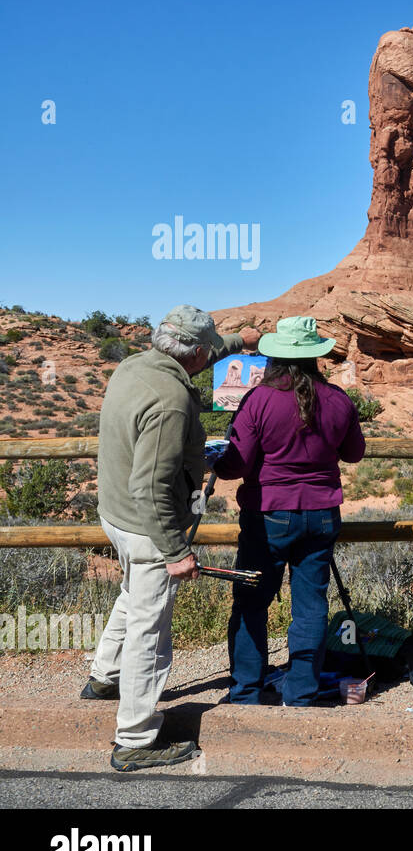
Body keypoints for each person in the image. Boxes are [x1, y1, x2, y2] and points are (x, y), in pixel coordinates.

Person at [84, 306, 260, 772]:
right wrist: (176, 551)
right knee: (150, 628)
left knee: (132, 597)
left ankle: (104, 677)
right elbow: (153, 487)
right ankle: (136, 738)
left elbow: (203, 351)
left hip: (116, 515)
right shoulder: (170, 401)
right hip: (148, 528)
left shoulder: (134, 365)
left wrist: (241, 342)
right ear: (197, 354)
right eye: (210, 349)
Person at [213, 316, 365, 706]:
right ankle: (301, 695)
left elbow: (238, 465)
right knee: (311, 607)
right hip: (322, 514)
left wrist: (215, 459)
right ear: (315, 357)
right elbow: (354, 453)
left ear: (275, 357)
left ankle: (246, 692)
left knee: (251, 601)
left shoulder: (258, 400)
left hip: (268, 516)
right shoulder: (338, 399)